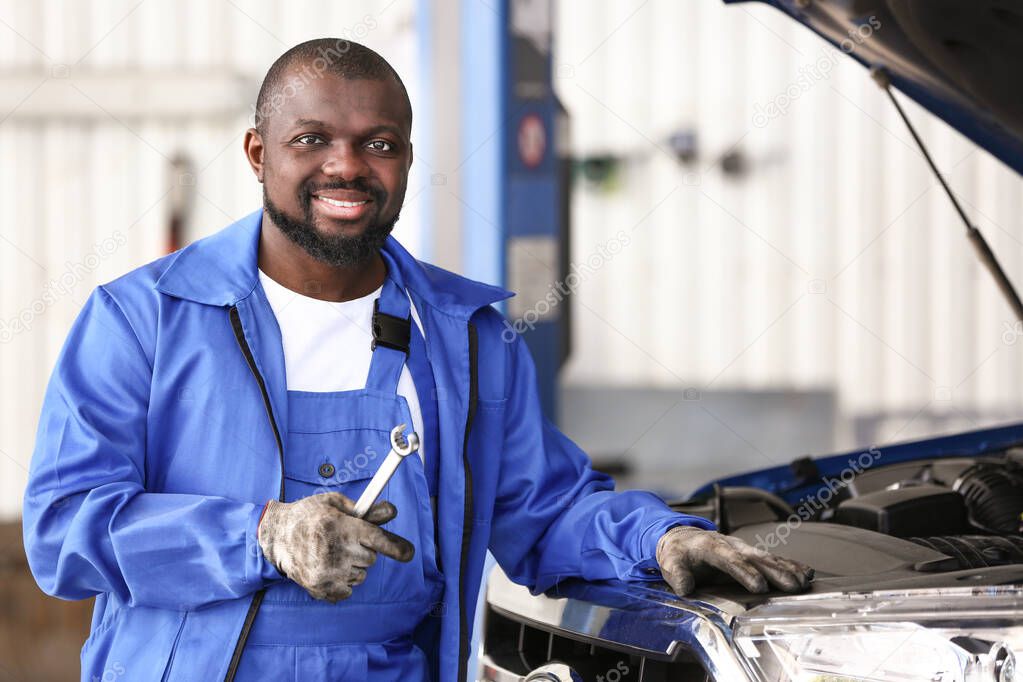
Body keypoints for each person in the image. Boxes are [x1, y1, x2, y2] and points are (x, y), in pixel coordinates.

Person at [22, 38, 812, 682]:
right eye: (311, 141)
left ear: (404, 159)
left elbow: (541, 510)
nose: (346, 166)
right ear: (258, 154)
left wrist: (656, 540)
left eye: (379, 144)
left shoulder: (464, 333)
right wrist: (257, 534)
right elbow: (62, 532)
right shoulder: (143, 319)